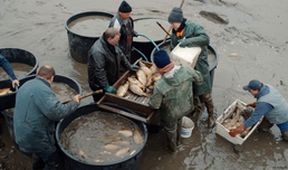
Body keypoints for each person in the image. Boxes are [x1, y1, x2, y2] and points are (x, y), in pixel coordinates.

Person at [13, 65, 80, 170]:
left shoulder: (26, 84)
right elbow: (57, 113)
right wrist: (74, 103)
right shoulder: (43, 90)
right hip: (35, 137)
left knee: (39, 158)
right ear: (52, 78)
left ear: (37, 74)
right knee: (55, 162)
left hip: (19, 133)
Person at [168, 7, 215, 128]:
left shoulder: (193, 27)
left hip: (199, 64)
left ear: (180, 21)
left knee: (204, 92)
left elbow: (205, 39)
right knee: (191, 91)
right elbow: (173, 45)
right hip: (185, 66)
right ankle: (196, 109)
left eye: (173, 23)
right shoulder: (175, 32)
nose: (172, 26)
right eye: (171, 23)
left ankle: (211, 115)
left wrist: (188, 41)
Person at [149, 50, 203, 152]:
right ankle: (178, 141)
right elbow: (199, 79)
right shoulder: (187, 69)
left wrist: (151, 99)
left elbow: (154, 105)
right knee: (180, 119)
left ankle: (173, 148)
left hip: (171, 114)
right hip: (187, 106)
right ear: (170, 60)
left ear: (158, 67)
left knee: (170, 129)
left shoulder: (160, 86)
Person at [88, 27, 136, 101]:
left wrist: (129, 66)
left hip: (110, 75)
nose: (117, 42)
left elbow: (121, 54)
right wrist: (105, 86)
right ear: (109, 38)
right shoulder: (98, 51)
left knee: (112, 97)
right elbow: (99, 70)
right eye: (116, 40)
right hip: (98, 83)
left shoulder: (112, 43)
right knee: (101, 100)